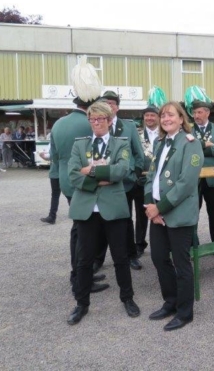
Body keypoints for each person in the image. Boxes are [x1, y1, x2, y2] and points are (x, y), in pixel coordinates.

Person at [66, 101, 140, 325]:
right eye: (92, 119)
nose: (96, 122)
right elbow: (72, 174)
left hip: (113, 209)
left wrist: (89, 171)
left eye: (100, 119)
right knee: (84, 260)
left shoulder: (120, 144)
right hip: (87, 211)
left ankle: (127, 298)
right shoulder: (80, 145)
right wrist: (101, 178)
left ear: (109, 120)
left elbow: (121, 171)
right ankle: (82, 303)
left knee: (120, 258)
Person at [144, 101, 204, 331]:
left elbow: (186, 183)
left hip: (177, 214)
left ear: (181, 119)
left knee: (181, 264)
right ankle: (170, 302)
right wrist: (150, 206)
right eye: (163, 115)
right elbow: (150, 176)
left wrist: (159, 208)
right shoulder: (160, 143)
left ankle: (185, 312)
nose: (166, 119)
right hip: (157, 213)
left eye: (171, 115)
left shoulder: (191, 143)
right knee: (159, 259)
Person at [50, 76, 109, 294]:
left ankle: (82, 273)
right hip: (85, 182)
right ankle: (80, 276)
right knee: (84, 233)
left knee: (79, 229)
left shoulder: (58, 123)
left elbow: (54, 157)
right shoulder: (90, 124)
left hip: (67, 181)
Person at [93, 90, 145, 272]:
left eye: (112, 103)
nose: (108, 106)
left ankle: (131, 255)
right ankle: (98, 259)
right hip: (103, 182)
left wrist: (135, 174)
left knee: (126, 220)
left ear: (117, 107)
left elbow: (138, 153)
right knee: (102, 220)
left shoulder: (128, 126)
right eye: (105, 103)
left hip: (126, 182)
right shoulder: (96, 124)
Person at [192, 100, 214, 260]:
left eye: (199, 112)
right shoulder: (188, 129)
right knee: (192, 215)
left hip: (213, 179)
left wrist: (197, 148)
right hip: (193, 179)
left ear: (207, 113)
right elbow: (186, 149)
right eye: (194, 112)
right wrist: (205, 144)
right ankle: (193, 246)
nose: (196, 115)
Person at [135, 105, 161, 257]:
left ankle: (162, 244)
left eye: (152, 115)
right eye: (147, 115)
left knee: (161, 211)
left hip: (160, 180)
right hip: (142, 180)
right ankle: (139, 244)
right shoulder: (137, 134)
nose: (149, 118)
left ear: (158, 117)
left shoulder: (164, 133)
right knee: (141, 215)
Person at [40, 141, 61, 225]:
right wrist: (43, 156)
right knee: (55, 194)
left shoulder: (61, 142)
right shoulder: (52, 142)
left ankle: (78, 213)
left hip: (62, 172)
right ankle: (52, 216)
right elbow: (49, 157)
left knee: (70, 194)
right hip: (55, 172)